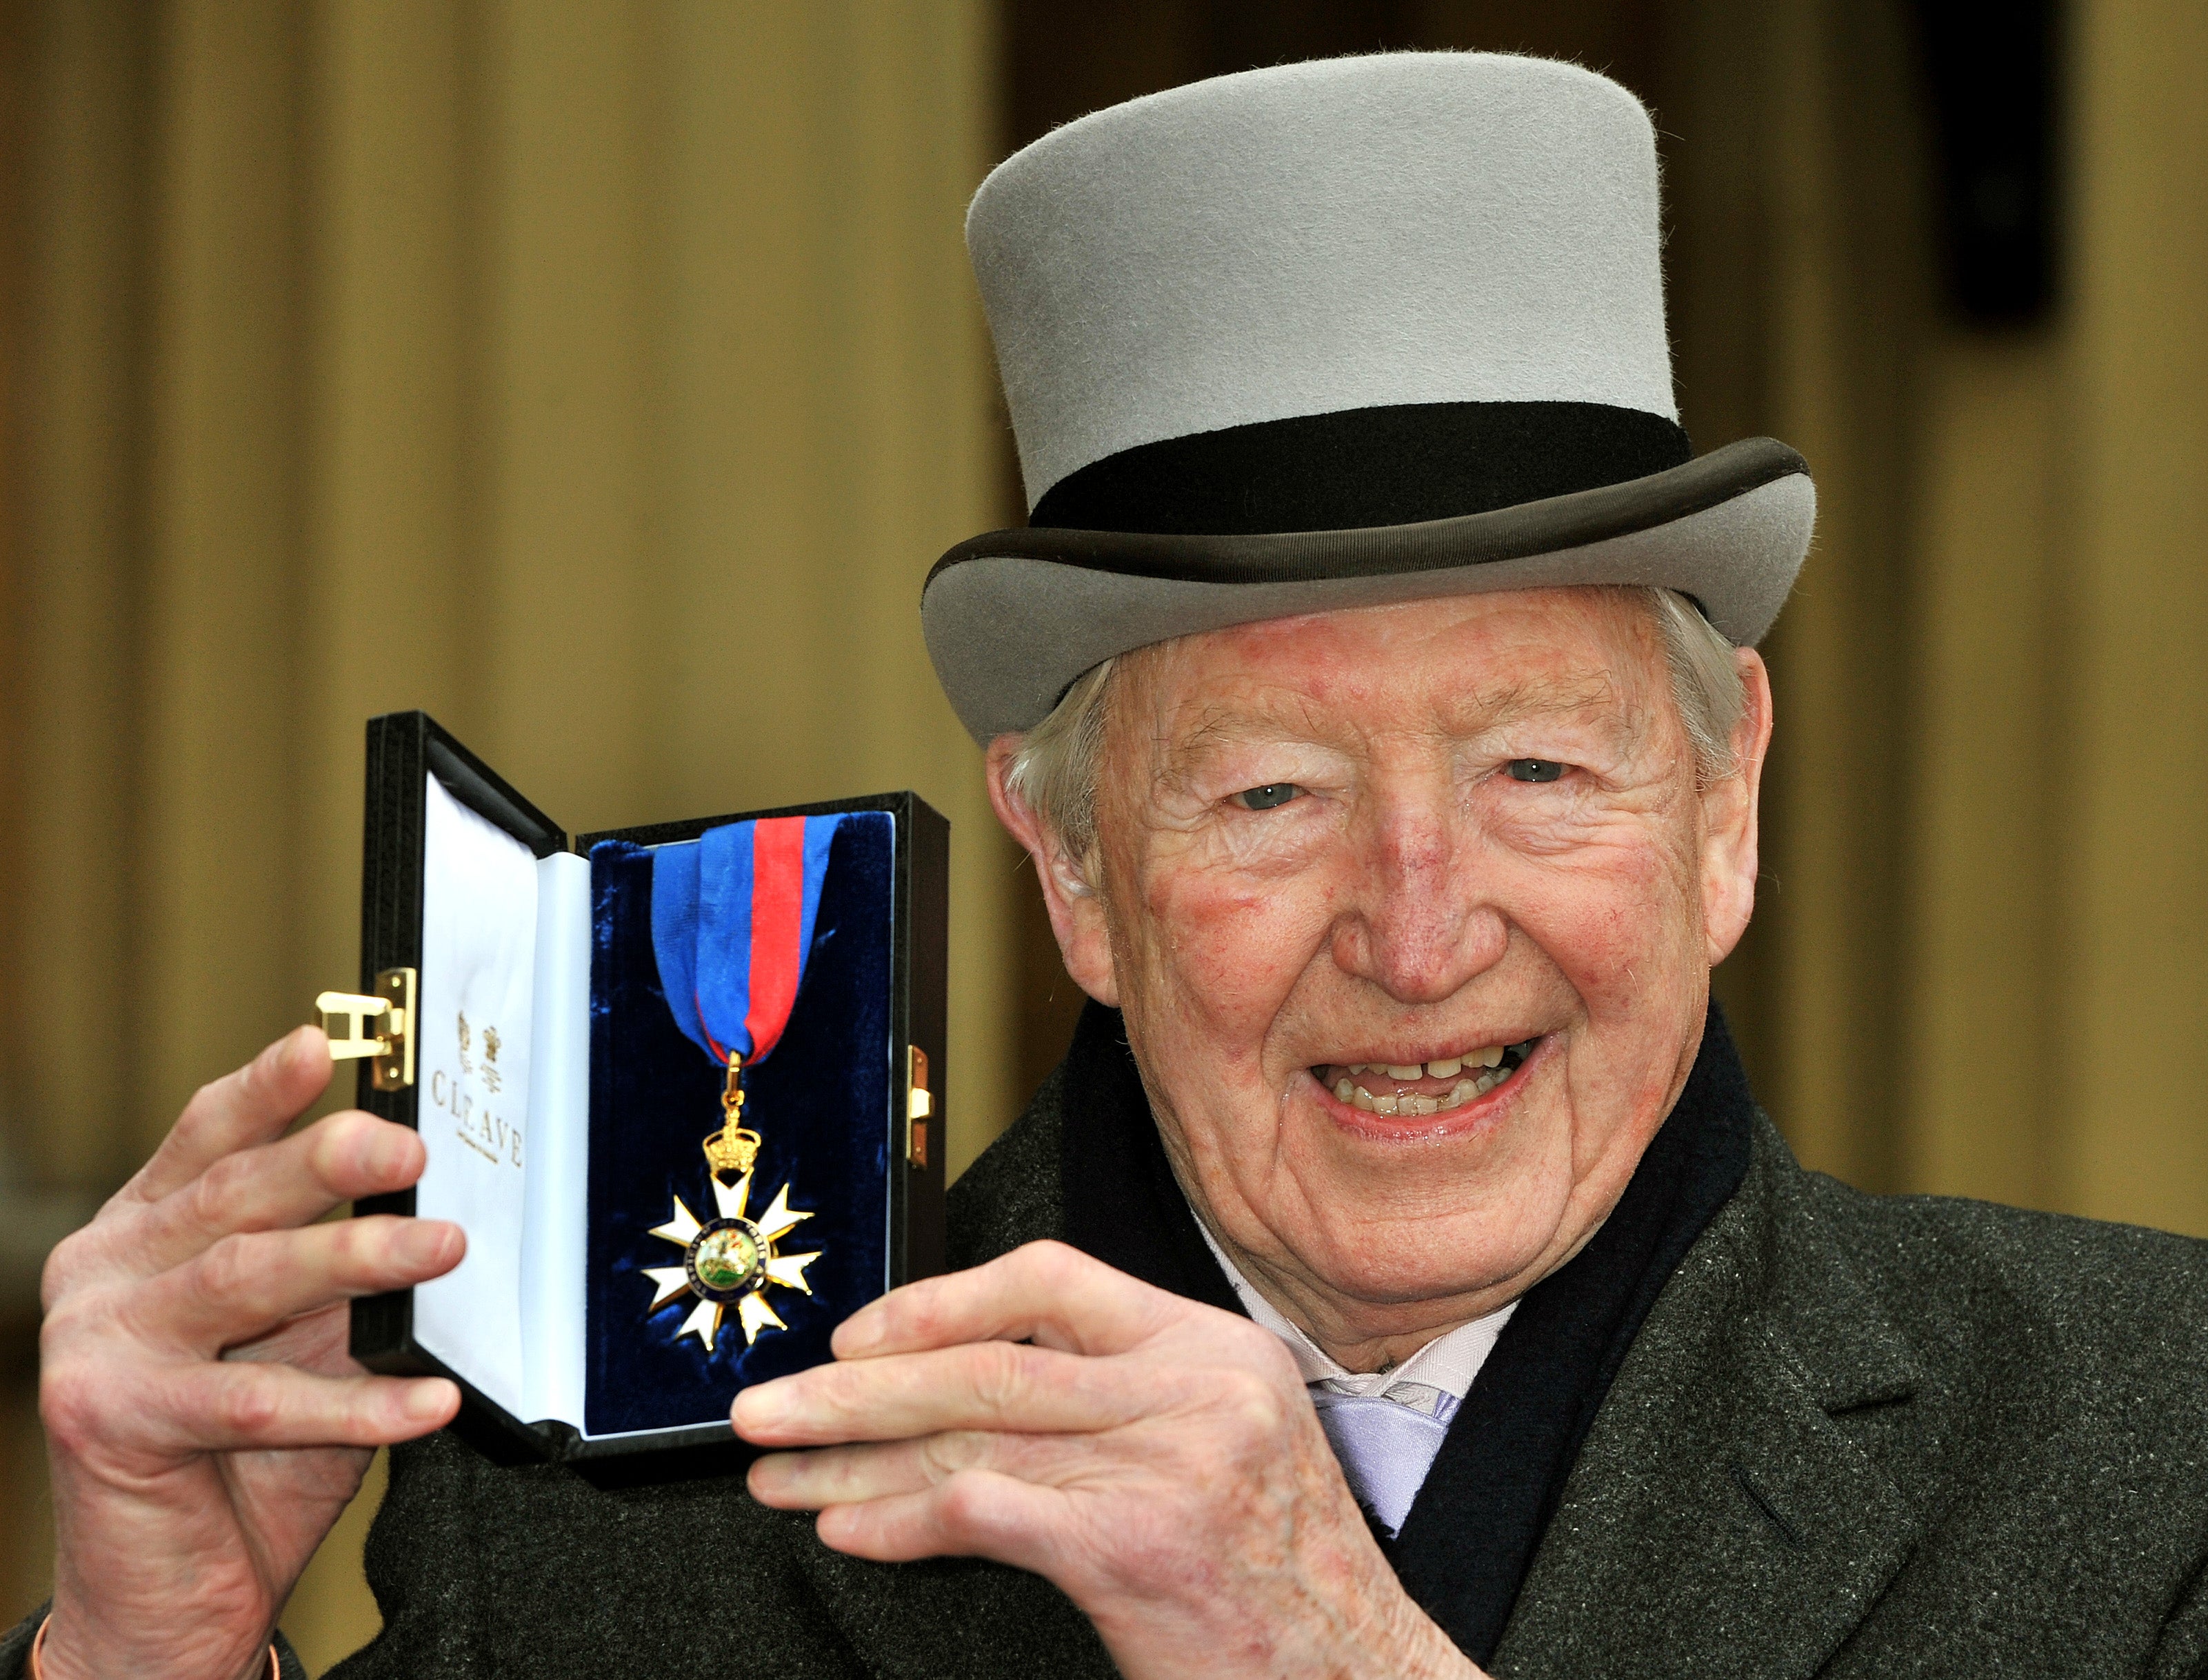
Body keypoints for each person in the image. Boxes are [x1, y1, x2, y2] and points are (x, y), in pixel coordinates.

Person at [18, 52, 2208, 1680]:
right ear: (1070, 868)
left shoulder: (2149, 1445)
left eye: (1540, 768)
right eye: (1266, 796)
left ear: (1724, 800)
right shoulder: (618, 1530)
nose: (1421, 927)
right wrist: (157, 1642)